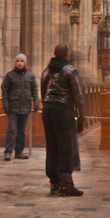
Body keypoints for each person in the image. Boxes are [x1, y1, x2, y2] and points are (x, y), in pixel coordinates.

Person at [41, 44, 84, 196]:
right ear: (66, 54)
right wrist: (81, 118)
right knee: (66, 147)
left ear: (54, 54)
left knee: (52, 147)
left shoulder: (46, 71)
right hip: (63, 110)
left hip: (47, 110)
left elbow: (43, 93)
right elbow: (78, 96)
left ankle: (54, 184)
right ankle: (66, 186)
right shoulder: (70, 71)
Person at [1, 53, 39, 161]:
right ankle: (8, 151)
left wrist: (36, 103)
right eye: (18, 61)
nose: (19, 63)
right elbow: (5, 92)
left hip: (25, 107)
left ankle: (19, 151)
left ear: (25, 62)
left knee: (21, 131)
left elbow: (35, 91)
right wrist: (6, 106)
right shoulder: (10, 75)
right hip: (13, 107)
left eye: (22, 61)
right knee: (11, 130)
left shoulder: (30, 75)